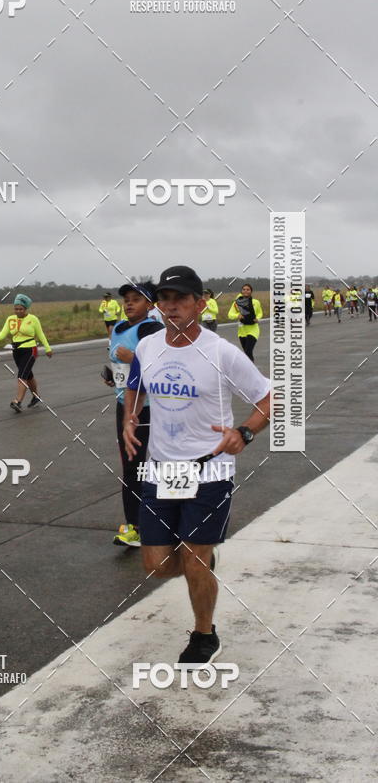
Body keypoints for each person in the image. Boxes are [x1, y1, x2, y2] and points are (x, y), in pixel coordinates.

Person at [123, 265, 270, 667]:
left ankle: (204, 634)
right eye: (165, 299)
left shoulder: (221, 351)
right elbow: (134, 384)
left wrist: (244, 432)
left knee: (193, 555)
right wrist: (128, 419)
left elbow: (268, 397)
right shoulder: (148, 347)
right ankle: (201, 561)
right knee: (158, 565)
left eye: (180, 299)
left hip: (210, 468)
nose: (171, 306)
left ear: (199, 303)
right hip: (162, 469)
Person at [105, 281, 164, 548]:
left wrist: (133, 359)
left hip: (150, 407)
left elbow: (163, 365)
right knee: (131, 466)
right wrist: (112, 375)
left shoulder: (152, 329)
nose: (129, 303)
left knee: (153, 465)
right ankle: (134, 526)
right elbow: (117, 364)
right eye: (126, 299)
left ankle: (167, 520)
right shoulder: (118, 327)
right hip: (124, 405)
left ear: (150, 305)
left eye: (136, 300)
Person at [0, 294, 52, 412]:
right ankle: (36, 397)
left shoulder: (33, 319)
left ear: (26, 309)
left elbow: (40, 334)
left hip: (30, 350)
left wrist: (47, 348)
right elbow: (4, 333)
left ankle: (17, 401)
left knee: (22, 375)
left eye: (21, 309)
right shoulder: (10, 319)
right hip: (16, 351)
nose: (18, 311)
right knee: (28, 374)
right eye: (16, 309)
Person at [227, 284, 263, 362]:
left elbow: (260, 313)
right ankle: (250, 370)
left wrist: (258, 318)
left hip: (253, 329)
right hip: (242, 331)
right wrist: (237, 315)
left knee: (248, 351)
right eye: (244, 289)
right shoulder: (237, 303)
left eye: (248, 289)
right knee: (247, 354)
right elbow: (230, 315)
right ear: (241, 291)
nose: (245, 291)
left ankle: (251, 372)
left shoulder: (256, 302)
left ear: (251, 291)